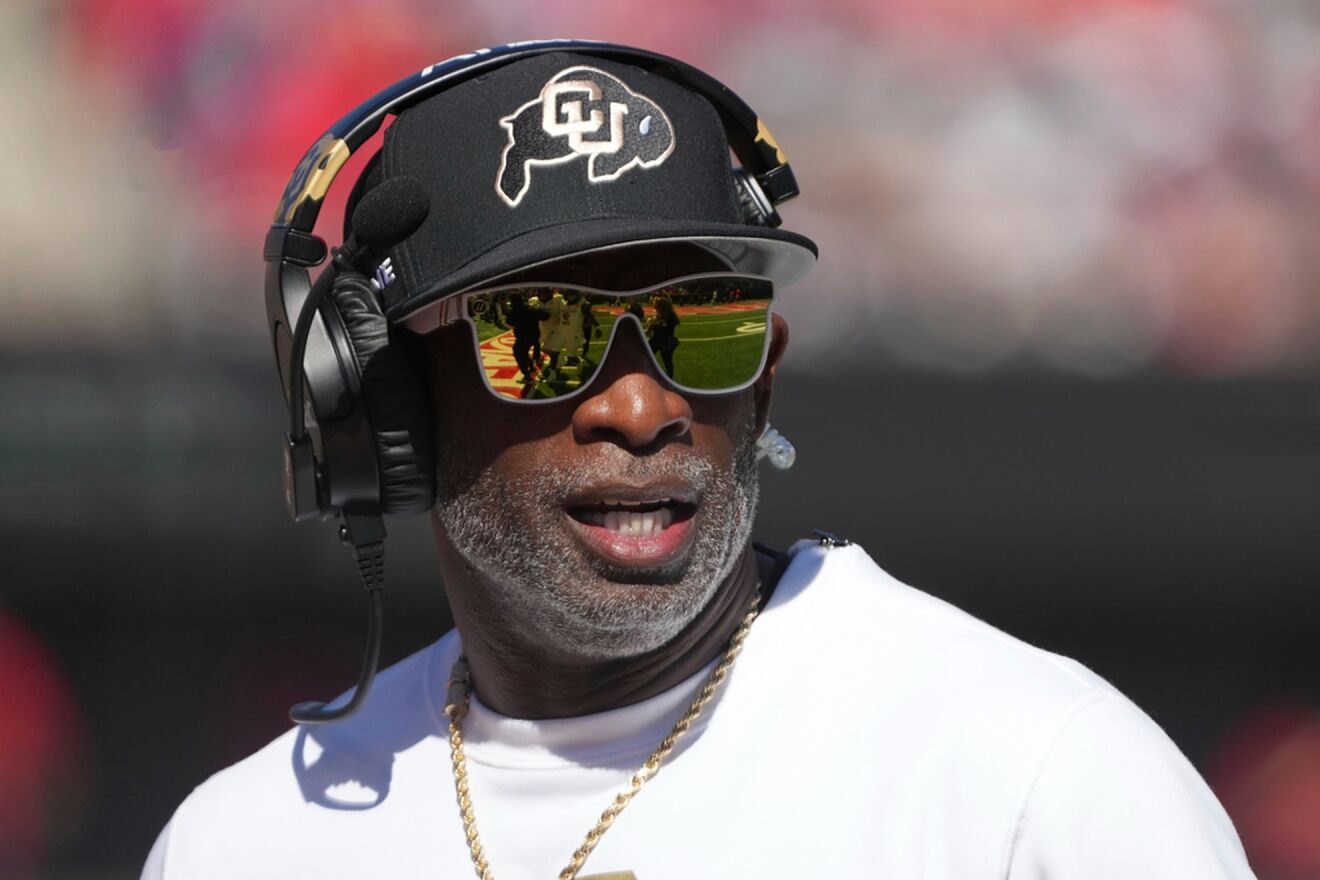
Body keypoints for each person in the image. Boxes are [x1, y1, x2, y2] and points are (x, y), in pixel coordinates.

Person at [144, 45, 1257, 879]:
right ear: (387, 401)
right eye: (545, 335)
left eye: (704, 326)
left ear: (763, 375)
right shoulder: (247, 843)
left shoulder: (1038, 781)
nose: (642, 404)